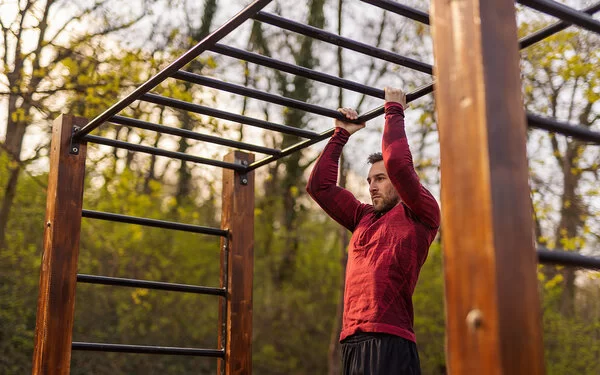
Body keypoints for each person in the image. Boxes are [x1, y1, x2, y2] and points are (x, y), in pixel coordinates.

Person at [306, 87, 440, 374]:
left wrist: (394, 110)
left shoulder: (421, 212)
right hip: (352, 341)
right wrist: (340, 135)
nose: (372, 186)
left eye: (380, 178)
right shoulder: (362, 217)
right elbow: (320, 187)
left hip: (390, 339)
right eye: (369, 180)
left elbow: (400, 166)